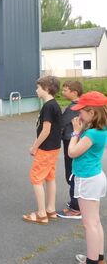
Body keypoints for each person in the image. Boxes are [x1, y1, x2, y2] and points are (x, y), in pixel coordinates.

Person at [68, 91, 107, 264]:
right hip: (95, 176)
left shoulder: (91, 134)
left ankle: (91, 261)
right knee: (95, 221)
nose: (78, 114)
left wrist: (76, 133)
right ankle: (98, 257)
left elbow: (72, 152)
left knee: (89, 224)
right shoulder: (100, 129)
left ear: (92, 113)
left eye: (81, 111)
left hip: (87, 179)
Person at [22, 76, 62, 224]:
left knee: (36, 179)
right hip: (54, 147)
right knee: (50, 177)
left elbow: (45, 130)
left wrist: (34, 147)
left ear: (46, 88)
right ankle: (50, 209)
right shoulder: (54, 105)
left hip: (46, 149)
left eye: (38, 87)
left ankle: (41, 214)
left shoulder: (48, 106)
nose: (36, 90)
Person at [58, 80, 83, 219]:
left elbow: (61, 123)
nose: (63, 92)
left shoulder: (73, 108)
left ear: (74, 92)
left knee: (72, 173)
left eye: (65, 90)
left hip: (71, 142)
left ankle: (75, 208)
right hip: (78, 142)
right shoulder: (82, 105)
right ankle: (77, 202)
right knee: (76, 172)